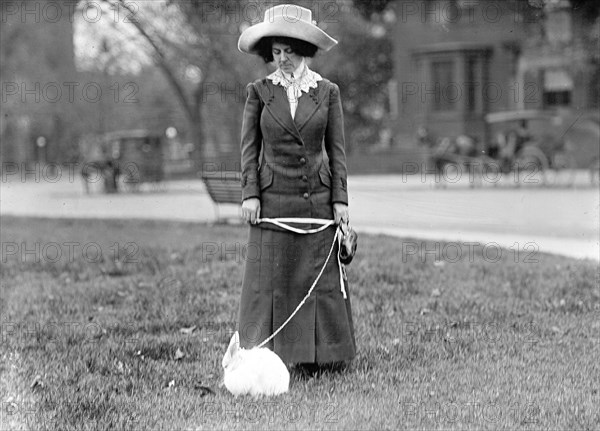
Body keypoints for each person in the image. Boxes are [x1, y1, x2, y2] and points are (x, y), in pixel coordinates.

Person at [236, 4, 356, 373]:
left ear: (305, 50)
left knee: (315, 276)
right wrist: (251, 194)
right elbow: (248, 149)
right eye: (275, 52)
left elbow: (336, 152)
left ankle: (326, 354)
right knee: (272, 278)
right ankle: (269, 355)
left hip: (316, 201)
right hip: (272, 201)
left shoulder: (327, 92)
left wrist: (340, 201)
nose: (282, 60)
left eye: (289, 51)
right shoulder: (259, 92)